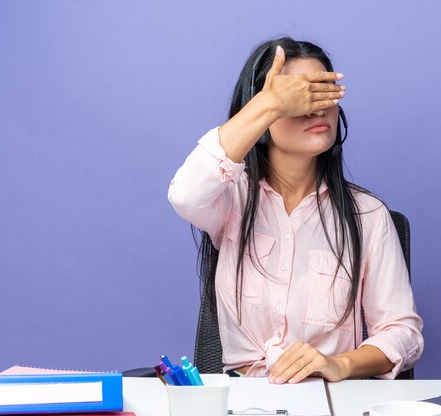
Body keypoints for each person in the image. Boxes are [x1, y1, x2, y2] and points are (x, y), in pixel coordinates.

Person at [168, 37, 423, 384]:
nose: (317, 110)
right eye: (299, 98)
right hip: (242, 403)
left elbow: (403, 331)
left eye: (323, 95)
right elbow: (185, 194)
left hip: (330, 406)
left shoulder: (368, 215)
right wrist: (270, 104)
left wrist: (339, 364)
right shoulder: (230, 201)